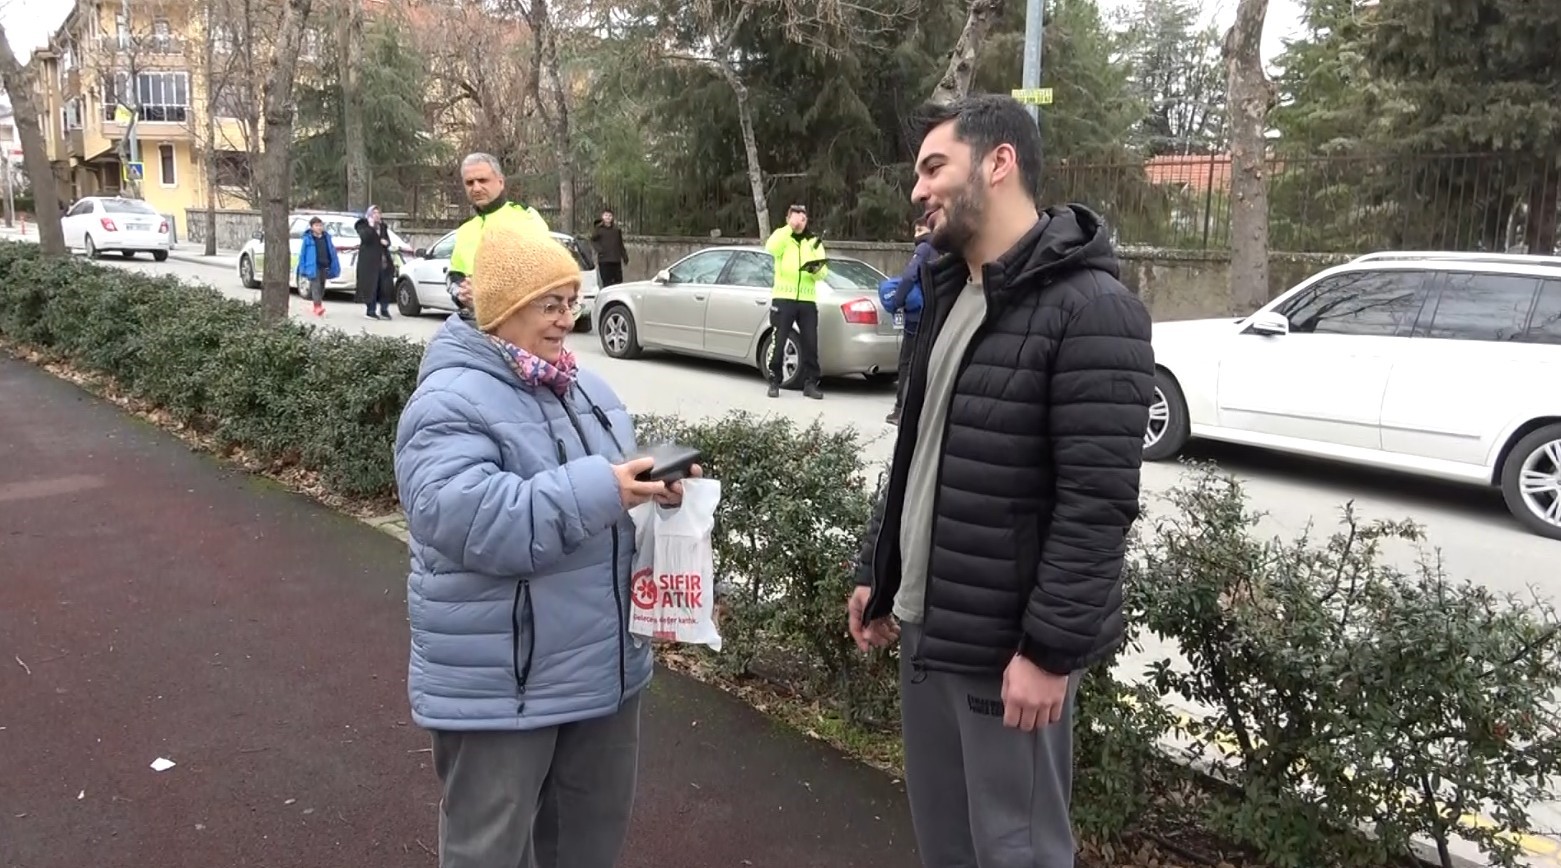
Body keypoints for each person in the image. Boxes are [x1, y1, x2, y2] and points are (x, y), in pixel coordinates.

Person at [846, 94, 1156, 868]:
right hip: (930, 631)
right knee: (947, 846)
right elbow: (921, 451)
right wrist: (876, 573)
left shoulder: (1095, 310)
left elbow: (1098, 503)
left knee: (1017, 852)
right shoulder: (953, 292)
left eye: (933, 167)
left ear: (999, 162)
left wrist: (1049, 651)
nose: (916, 191)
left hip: (1006, 652)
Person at [394, 221, 699, 868]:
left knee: (586, 846)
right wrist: (607, 489)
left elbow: (604, 498)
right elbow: (472, 521)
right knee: (490, 851)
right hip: (504, 683)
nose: (567, 320)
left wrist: (652, 490)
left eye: (573, 301)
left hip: (602, 672)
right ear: (503, 309)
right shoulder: (445, 401)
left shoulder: (587, 390)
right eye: (550, 304)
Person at [447, 152, 550, 315]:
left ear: (500, 182)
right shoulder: (466, 230)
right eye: (469, 183)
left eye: (482, 180)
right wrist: (462, 294)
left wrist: (488, 296)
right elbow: (453, 276)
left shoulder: (526, 218)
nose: (476, 188)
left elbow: (544, 276)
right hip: (475, 325)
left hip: (519, 324)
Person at [764, 204, 828, 400]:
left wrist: (815, 270)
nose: (800, 221)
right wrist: (788, 229)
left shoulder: (814, 242)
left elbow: (824, 273)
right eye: (795, 217)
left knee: (810, 342)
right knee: (779, 339)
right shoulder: (782, 237)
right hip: (784, 297)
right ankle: (775, 380)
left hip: (807, 299)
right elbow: (771, 248)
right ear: (788, 219)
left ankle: (810, 383)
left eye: (803, 218)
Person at [884, 219, 934, 425]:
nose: (916, 234)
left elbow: (909, 277)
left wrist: (897, 301)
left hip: (916, 315)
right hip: (934, 311)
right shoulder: (945, 249)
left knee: (907, 363)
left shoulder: (924, 249)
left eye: (920, 229)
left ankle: (900, 409)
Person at [354, 205, 397, 320]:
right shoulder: (362, 225)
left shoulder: (383, 226)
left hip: (383, 261)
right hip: (369, 263)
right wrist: (371, 226)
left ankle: (384, 309)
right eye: (374, 213)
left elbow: (387, 241)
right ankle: (370, 310)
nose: (377, 215)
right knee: (371, 286)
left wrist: (386, 242)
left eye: (378, 213)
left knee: (386, 287)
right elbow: (365, 238)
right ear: (369, 215)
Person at [297, 216, 341, 318]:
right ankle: (317, 306)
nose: (319, 227)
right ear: (312, 227)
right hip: (313, 265)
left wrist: (333, 263)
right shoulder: (308, 239)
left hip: (324, 264)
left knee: (322, 285)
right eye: (316, 225)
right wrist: (303, 268)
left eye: (320, 225)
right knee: (315, 285)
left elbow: (331, 251)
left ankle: (318, 304)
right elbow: (302, 254)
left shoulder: (326, 237)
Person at [589, 209, 628, 287]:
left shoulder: (616, 230)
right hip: (604, 260)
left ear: (612, 217)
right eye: (606, 215)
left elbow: (620, 244)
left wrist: (624, 256)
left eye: (610, 216)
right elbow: (593, 240)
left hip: (616, 260)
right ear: (602, 217)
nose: (608, 217)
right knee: (607, 283)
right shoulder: (598, 229)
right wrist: (600, 250)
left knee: (618, 282)